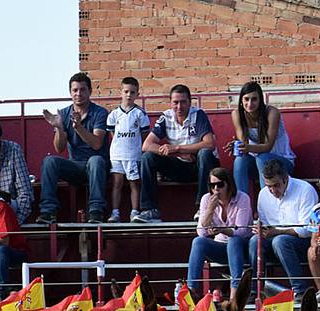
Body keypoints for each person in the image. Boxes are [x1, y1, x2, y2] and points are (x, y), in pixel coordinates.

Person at [136, 83, 218, 222]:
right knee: (147, 158)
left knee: (204, 154)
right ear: (170, 103)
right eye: (175, 102)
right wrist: (178, 153)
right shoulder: (166, 117)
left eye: (183, 102)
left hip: (200, 167)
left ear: (190, 102)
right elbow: (147, 145)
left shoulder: (198, 115)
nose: (179, 107)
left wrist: (178, 148)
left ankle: (202, 208)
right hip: (178, 166)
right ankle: (150, 211)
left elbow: (209, 143)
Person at [36, 72, 110, 224]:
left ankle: (96, 212)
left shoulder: (100, 112)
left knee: (96, 160)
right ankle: (48, 212)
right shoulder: (63, 114)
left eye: (83, 89)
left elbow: (97, 144)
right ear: (70, 92)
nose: (78, 94)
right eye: (75, 90)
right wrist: (59, 128)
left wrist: (78, 127)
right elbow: (59, 148)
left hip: (96, 167)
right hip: (75, 166)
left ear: (90, 91)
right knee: (50, 161)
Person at [249, 159, 318, 295]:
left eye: (276, 185)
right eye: (269, 186)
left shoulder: (305, 190)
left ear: (286, 178)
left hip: (302, 242)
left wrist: (276, 232)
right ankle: (255, 290)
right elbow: (265, 224)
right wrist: (260, 230)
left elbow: (306, 230)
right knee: (254, 241)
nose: (273, 190)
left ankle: (300, 289)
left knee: (280, 241)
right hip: (275, 241)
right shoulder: (263, 194)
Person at [186, 165, 251, 301]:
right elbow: (201, 233)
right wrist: (210, 210)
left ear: (228, 184)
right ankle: (191, 291)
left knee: (234, 240)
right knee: (198, 242)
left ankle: (235, 293)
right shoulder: (206, 199)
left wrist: (223, 230)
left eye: (220, 185)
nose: (216, 189)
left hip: (242, 247)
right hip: (221, 247)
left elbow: (242, 231)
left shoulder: (242, 198)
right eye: (212, 185)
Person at [230, 81, 294, 198]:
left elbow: (267, 147)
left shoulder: (271, 112)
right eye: (246, 99)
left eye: (254, 99)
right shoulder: (237, 114)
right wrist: (238, 147)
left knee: (262, 157)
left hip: (283, 163)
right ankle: (241, 204)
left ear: (260, 100)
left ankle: (267, 202)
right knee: (240, 159)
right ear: (241, 100)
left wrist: (247, 148)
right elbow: (243, 144)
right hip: (256, 164)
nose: (250, 103)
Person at [105, 76, 151, 222]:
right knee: (117, 184)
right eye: (126, 91)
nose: (129, 95)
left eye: (132, 92)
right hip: (117, 154)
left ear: (137, 94)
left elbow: (144, 135)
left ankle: (134, 212)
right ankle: (115, 213)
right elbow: (112, 134)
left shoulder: (140, 114)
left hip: (133, 155)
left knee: (134, 184)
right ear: (121, 92)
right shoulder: (113, 114)